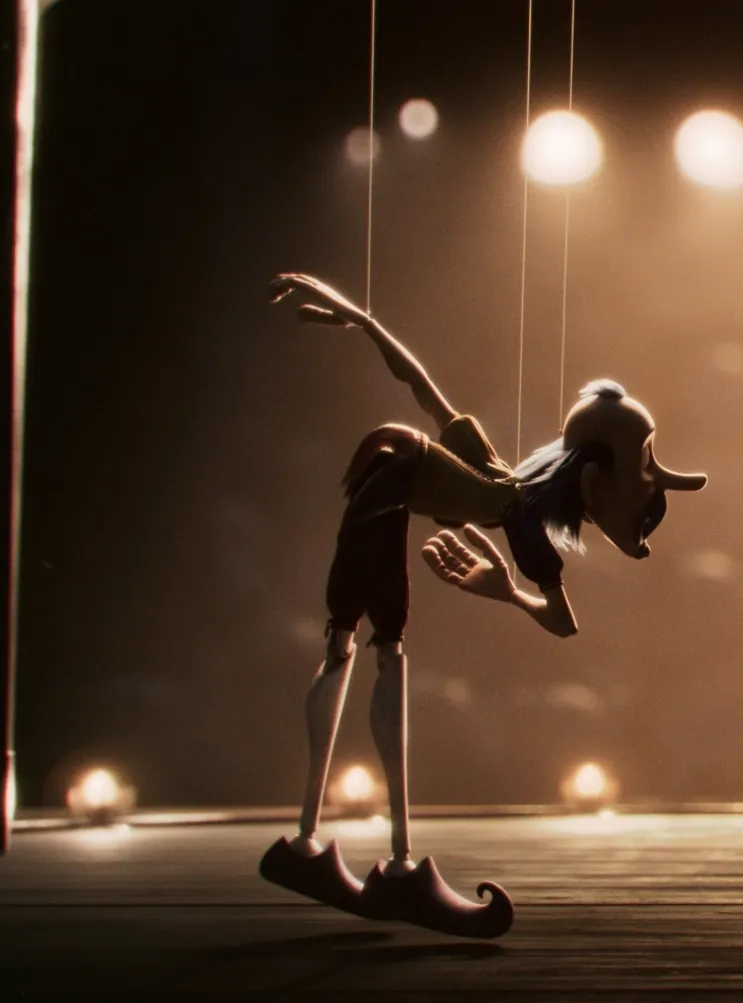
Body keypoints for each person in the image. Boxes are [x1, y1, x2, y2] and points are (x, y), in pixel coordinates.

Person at [256, 273, 707, 938]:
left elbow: (424, 390)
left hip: (383, 490)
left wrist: (363, 320)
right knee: (383, 654)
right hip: (387, 493)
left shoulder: (498, 478)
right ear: (591, 480)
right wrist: (511, 594)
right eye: (641, 478)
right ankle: (394, 867)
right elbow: (563, 624)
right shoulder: (521, 518)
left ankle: (306, 846)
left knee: (344, 645)